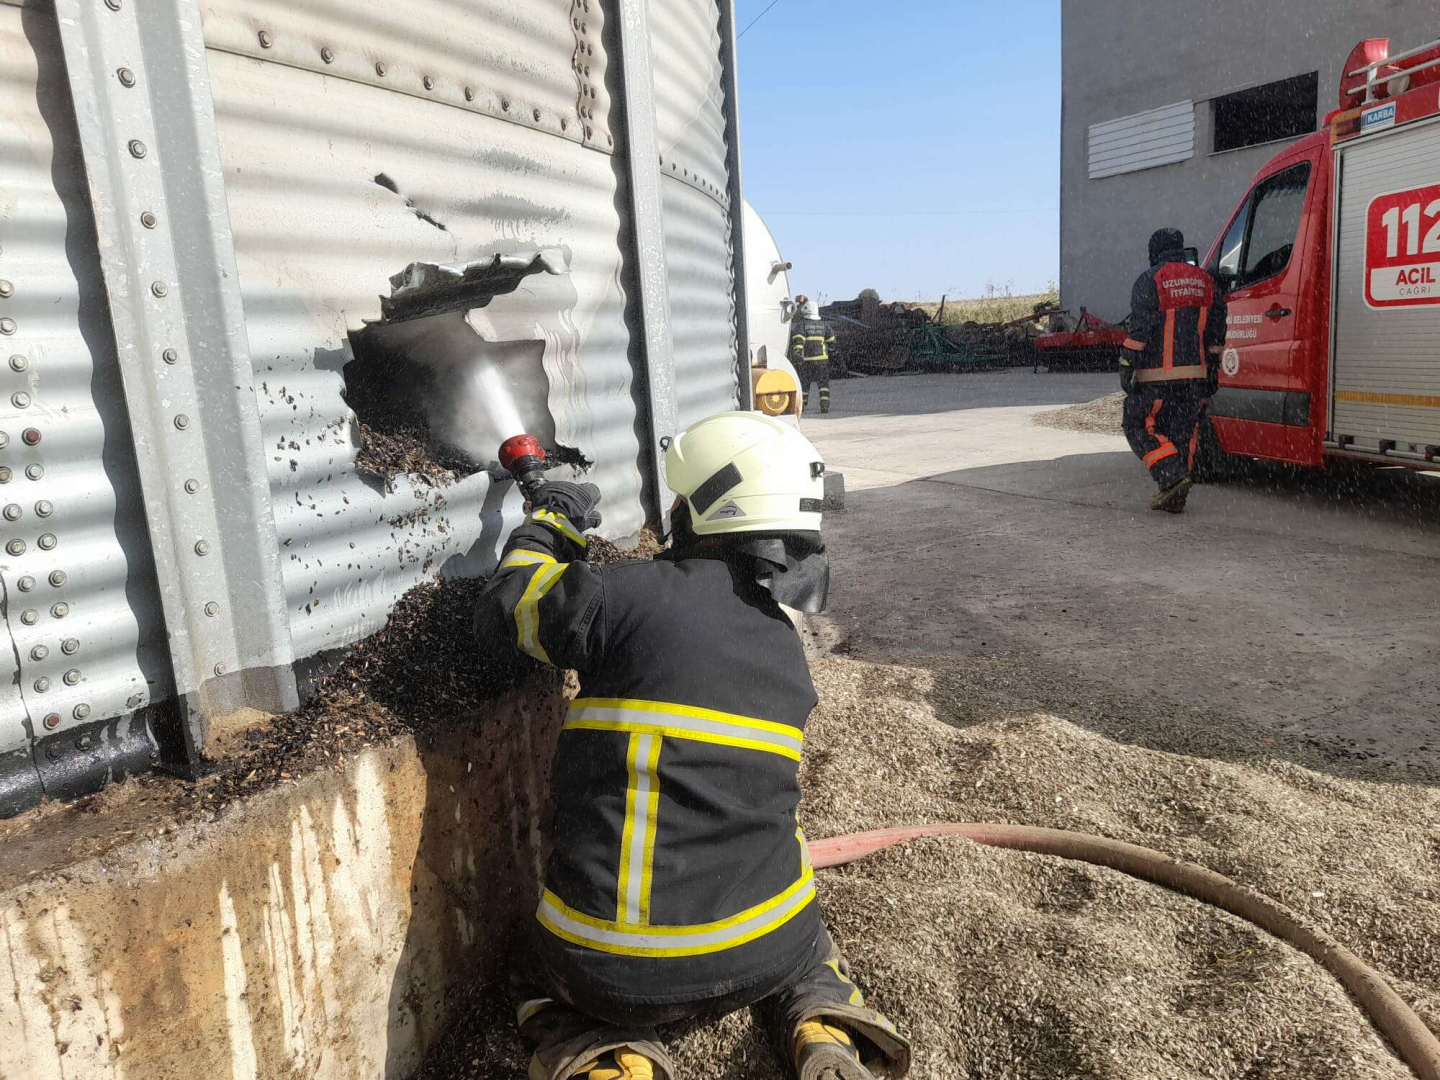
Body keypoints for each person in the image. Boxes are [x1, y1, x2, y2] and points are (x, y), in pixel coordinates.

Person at [474, 412, 910, 1080]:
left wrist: (552, 522)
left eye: (680, 498)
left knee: (531, 965)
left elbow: (508, 608)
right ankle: (822, 1025)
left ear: (699, 511)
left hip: (614, 972)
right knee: (809, 945)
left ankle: (608, 1052)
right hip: (767, 949)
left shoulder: (623, 599)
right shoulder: (784, 645)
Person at [1119, 228, 1228, 513]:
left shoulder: (1151, 279)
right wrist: (1212, 370)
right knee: (1183, 433)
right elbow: (1217, 331)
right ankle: (1175, 494)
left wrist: (1126, 365)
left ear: (1154, 252)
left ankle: (1171, 477)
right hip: (1195, 377)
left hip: (1157, 377)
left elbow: (1140, 330)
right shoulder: (1205, 281)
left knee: (1137, 424)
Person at [790, 297, 840, 415]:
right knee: (823, 384)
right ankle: (824, 405)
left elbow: (798, 342)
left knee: (804, 384)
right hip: (822, 361)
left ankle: (802, 406)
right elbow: (832, 342)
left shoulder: (801, 325)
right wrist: (834, 355)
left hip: (806, 361)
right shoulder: (824, 325)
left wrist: (797, 354)